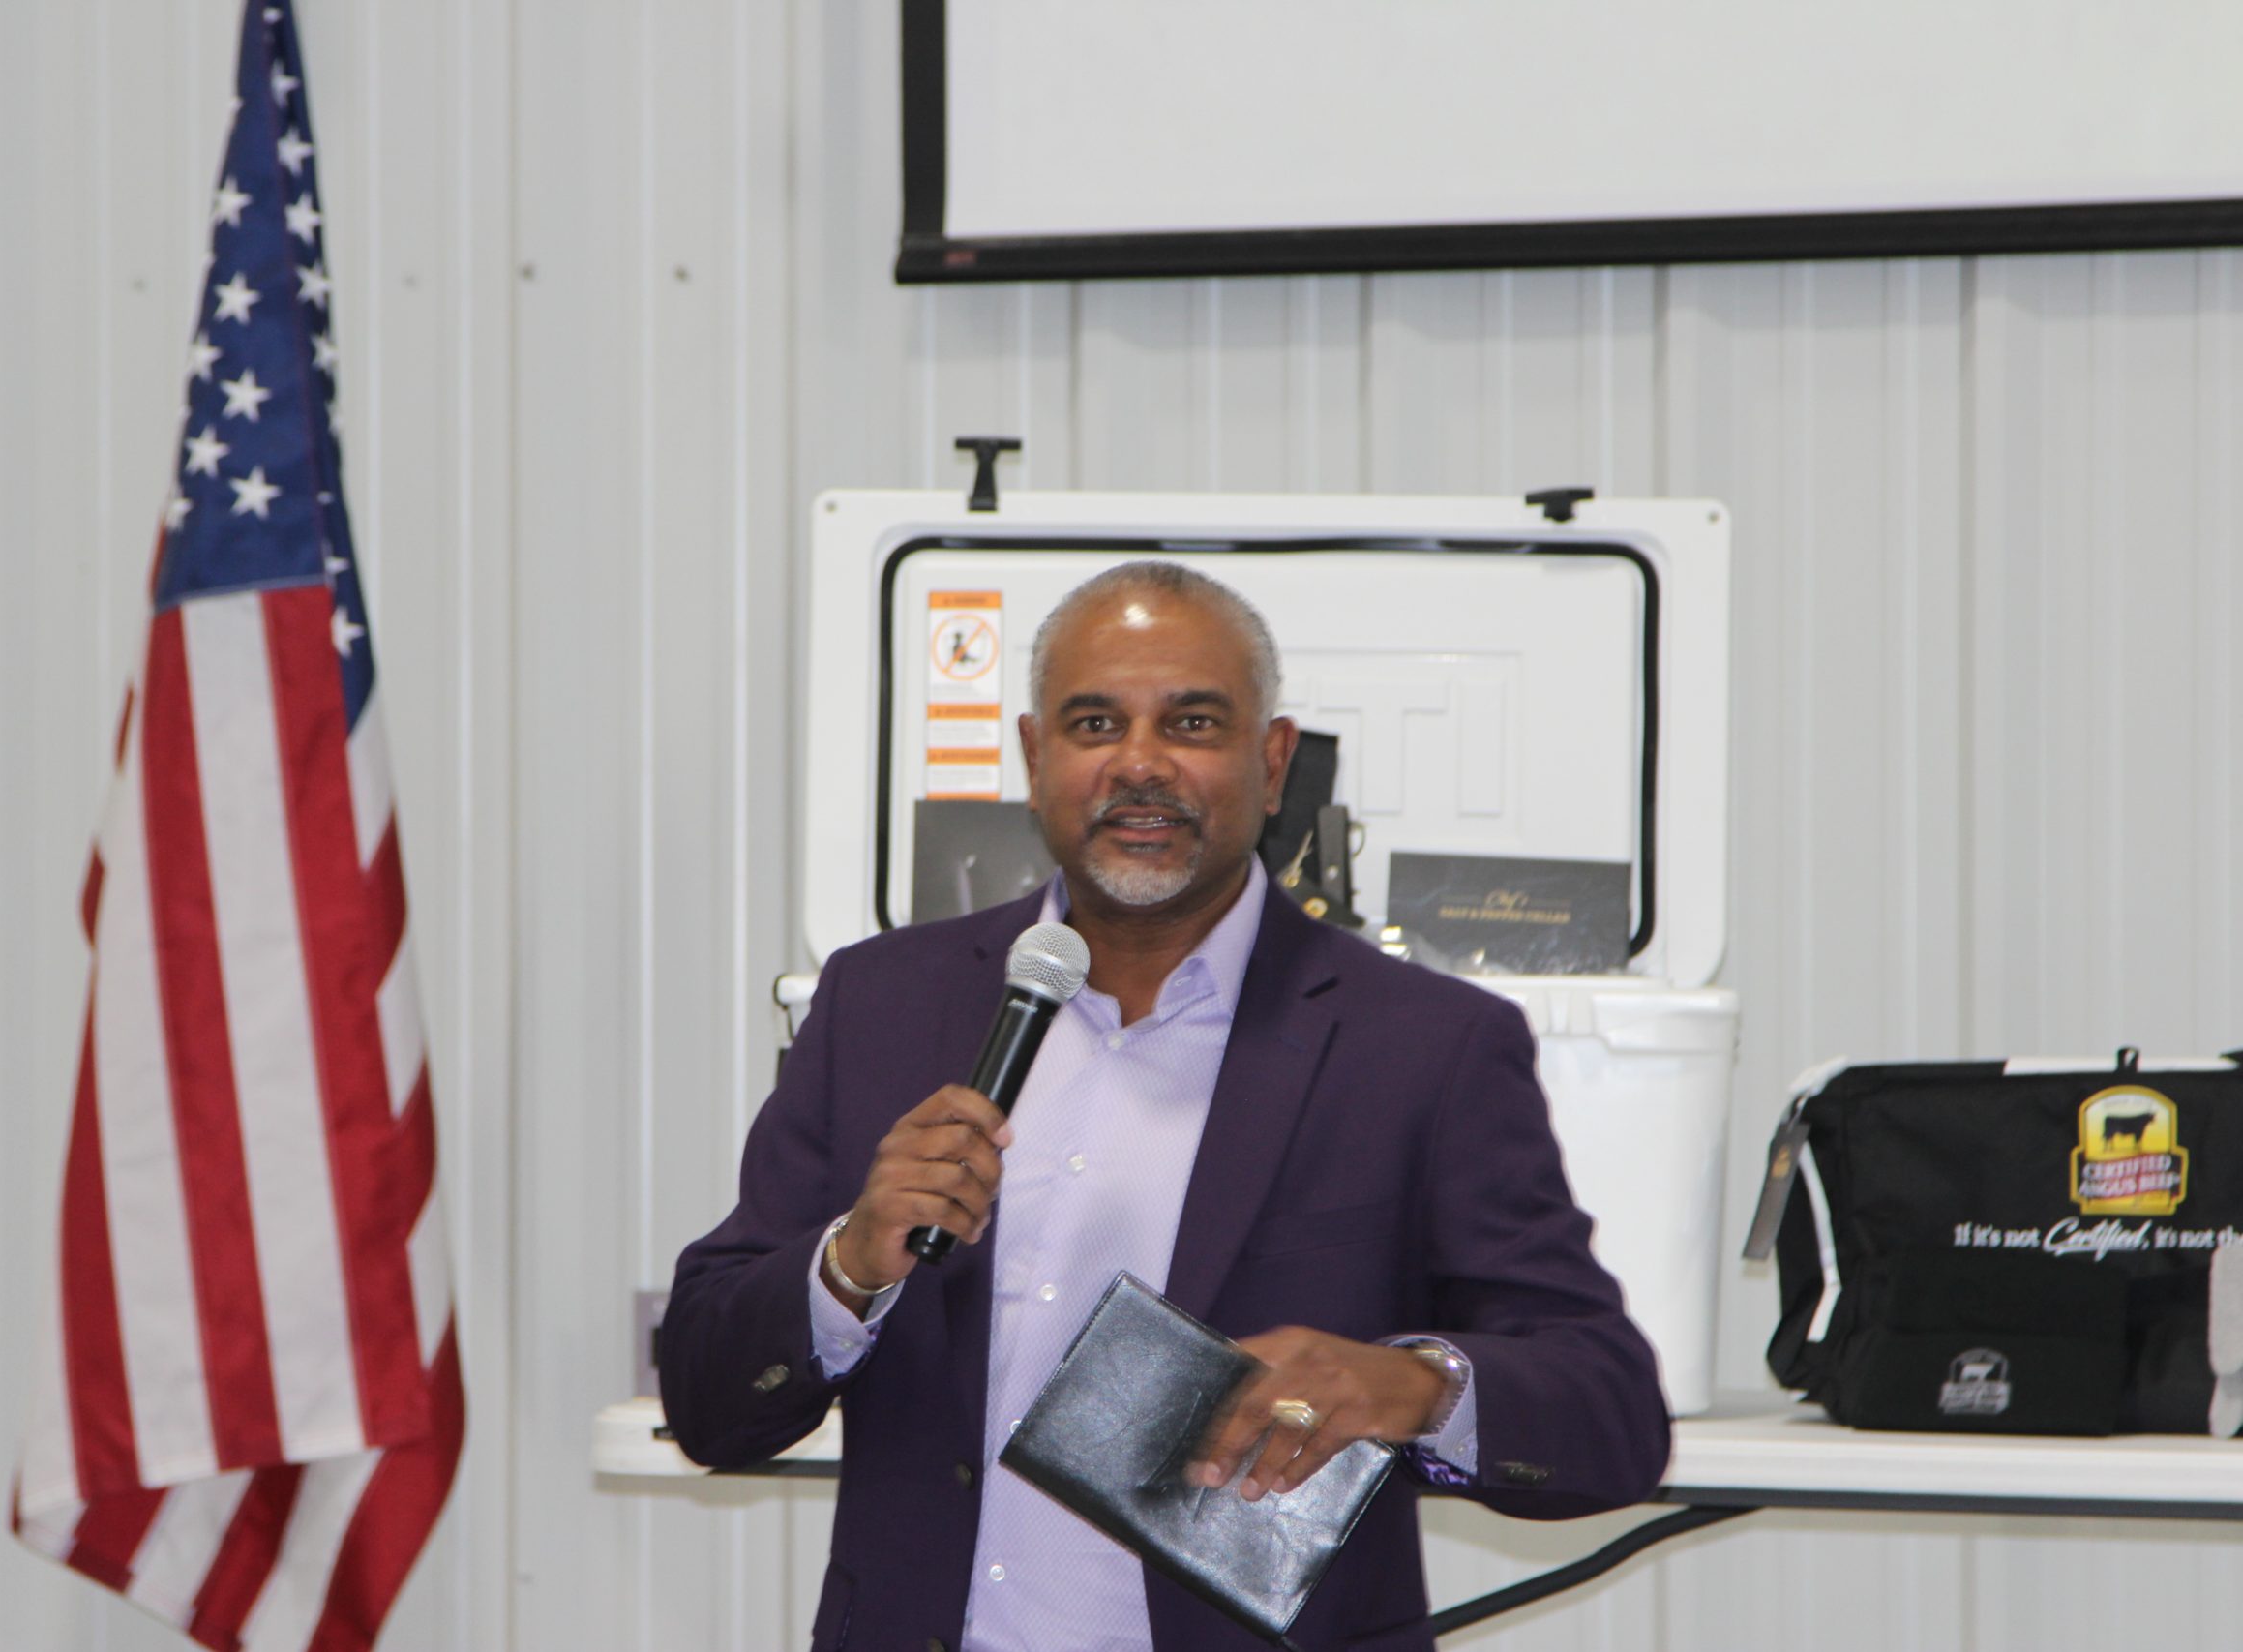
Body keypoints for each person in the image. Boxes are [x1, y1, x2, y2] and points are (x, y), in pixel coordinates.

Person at [661, 562, 1672, 1651]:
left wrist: (1416, 1385)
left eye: (1192, 722)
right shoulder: (881, 1004)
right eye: (1096, 723)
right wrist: (847, 1266)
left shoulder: (1422, 1043)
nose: (1139, 764)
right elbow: (712, 1399)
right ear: (1035, 757)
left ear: (1272, 762)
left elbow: (1609, 1413)